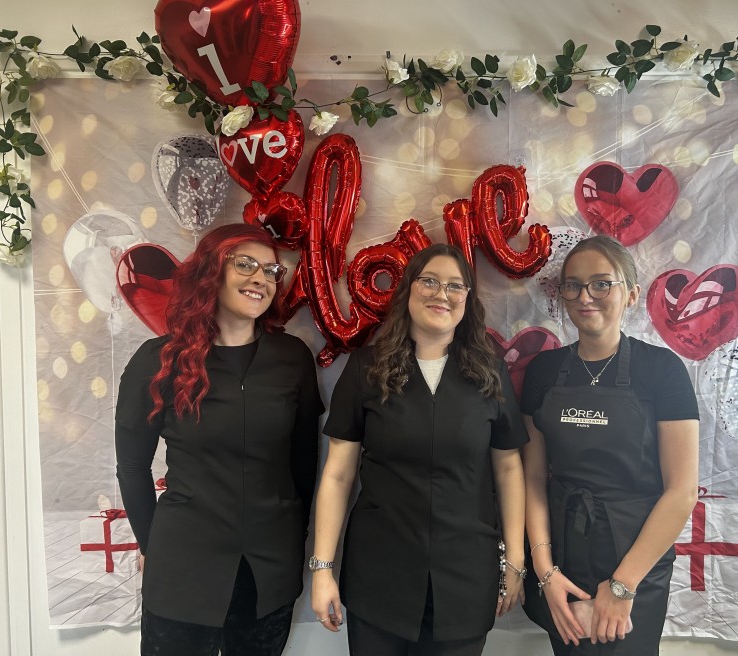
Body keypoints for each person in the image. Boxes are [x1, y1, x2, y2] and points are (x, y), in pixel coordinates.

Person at [115, 223, 324, 656]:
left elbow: (304, 464)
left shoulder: (293, 359)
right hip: (183, 566)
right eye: (245, 264)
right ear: (211, 271)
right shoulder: (159, 360)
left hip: (268, 570)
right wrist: (152, 546)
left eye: (271, 270)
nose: (261, 278)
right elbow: (132, 467)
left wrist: (296, 536)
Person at [310, 243, 528, 656]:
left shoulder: (490, 372)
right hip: (379, 574)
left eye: (455, 286)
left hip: (466, 575)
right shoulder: (366, 368)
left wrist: (515, 560)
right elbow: (338, 475)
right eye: (429, 281)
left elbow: (509, 469)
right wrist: (322, 568)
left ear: (468, 299)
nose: (441, 294)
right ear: (408, 289)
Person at [521, 235, 699, 655]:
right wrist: (545, 573)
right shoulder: (543, 371)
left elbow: (682, 492)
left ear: (631, 294)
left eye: (602, 284)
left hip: (637, 561)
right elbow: (532, 478)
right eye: (574, 285)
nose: (586, 297)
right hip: (562, 557)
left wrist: (622, 586)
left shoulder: (662, 370)